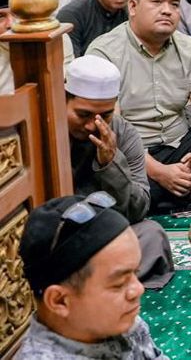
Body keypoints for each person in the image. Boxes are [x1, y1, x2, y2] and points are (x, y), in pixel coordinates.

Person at [86, 0, 191, 213]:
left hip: (182, 145)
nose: (167, 10)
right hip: (133, 153)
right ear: (133, 6)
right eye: (157, 2)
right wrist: (160, 172)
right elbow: (110, 128)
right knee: (125, 198)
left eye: (174, 4)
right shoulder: (104, 52)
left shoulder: (189, 48)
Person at [62, 55, 175, 289]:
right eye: (83, 115)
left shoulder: (124, 134)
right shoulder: (45, 130)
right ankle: (102, 282)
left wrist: (111, 164)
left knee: (152, 235)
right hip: (58, 237)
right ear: (63, 101)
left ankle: (86, 284)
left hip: (104, 234)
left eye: (104, 116)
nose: (92, 125)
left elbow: (138, 210)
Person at [16, 194, 166, 359]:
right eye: (119, 284)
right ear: (60, 300)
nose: (138, 289)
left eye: (135, 273)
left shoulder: (120, 322)